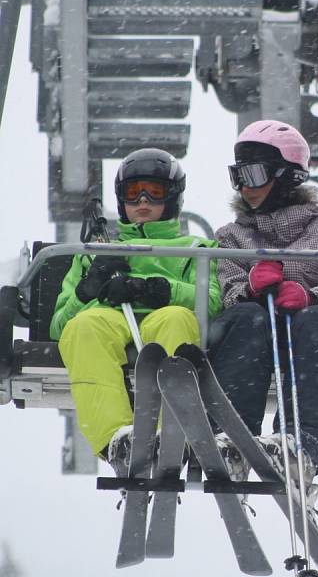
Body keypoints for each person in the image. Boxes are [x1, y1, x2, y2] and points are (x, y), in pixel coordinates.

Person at [50, 148, 222, 477]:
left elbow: (212, 302)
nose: (142, 201)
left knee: (175, 320)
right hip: (112, 317)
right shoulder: (96, 253)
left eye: (154, 192)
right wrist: (89, 287)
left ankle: (167, 434)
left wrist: (156, 289)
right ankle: (117, 440)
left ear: (172, 198)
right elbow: (60, 327)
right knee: (85, 326)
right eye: (133, 193)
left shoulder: (196, 251)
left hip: (165, 314)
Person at [210, 119, 318, 496]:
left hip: (307, 340)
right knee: (246, 317)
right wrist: (249, 287)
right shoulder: (231, 236)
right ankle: (232, 439)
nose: (245, 185)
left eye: (254, 174)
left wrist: (312, 297)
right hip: (255, 336)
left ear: (287, 177)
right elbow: (226, 291)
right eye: (237, 175)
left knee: (316, 323)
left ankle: (299, 446)